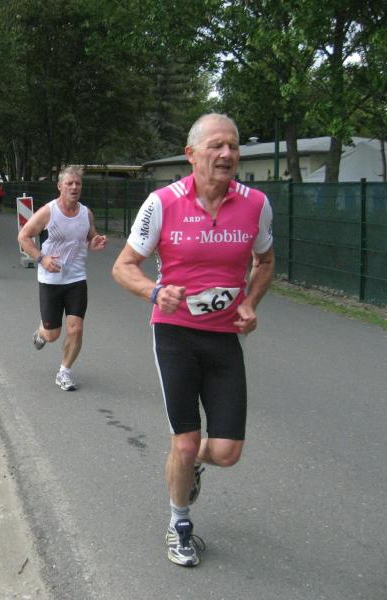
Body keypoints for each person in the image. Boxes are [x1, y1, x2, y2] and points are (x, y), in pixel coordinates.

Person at [111, 113, 275, 568]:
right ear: (191, 154)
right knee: (184, 441)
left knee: (226, 452)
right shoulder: (162, 203)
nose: (227, 154)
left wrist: (250, 303)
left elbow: (264, 262)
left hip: (224, 337)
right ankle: (179, 521)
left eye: (233, 146)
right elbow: (123, 266)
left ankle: (191, 463)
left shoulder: (256, 204)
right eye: (216, 146)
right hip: (175, 333)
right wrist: (155, 292)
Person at [17, 166, 107, 391]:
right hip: (51, 280)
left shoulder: (86, 213)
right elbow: (24, 236)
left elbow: (90, 236)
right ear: (60, 186)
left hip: (76, 279)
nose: (74, 187)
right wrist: (41, 258)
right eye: (69, 183)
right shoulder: (48, 212)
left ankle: (64, 371)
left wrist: (95, 241)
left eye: (78, 183)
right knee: (52, 334)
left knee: (76, 328)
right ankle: (41, 331)